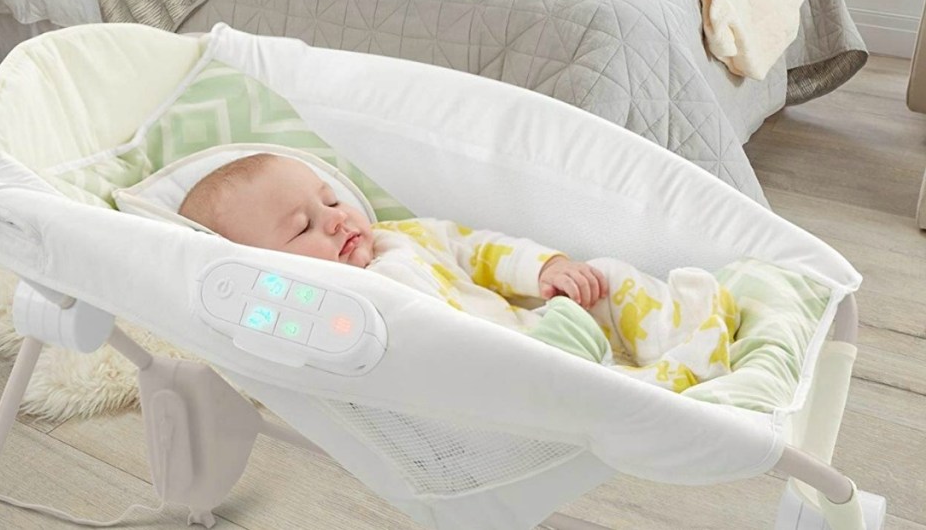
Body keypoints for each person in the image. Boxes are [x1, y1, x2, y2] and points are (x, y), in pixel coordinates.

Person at [179, 152, 739, 392]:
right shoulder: (337, 309)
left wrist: (546, 269)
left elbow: (475, 250)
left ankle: (682, 336)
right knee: (584, 380)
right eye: (303, 227)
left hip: (537, 324)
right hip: (507, 371)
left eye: (330, 200)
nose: (336, 219)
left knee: (606, 276)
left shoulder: (400, 236)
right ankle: (662, 382)